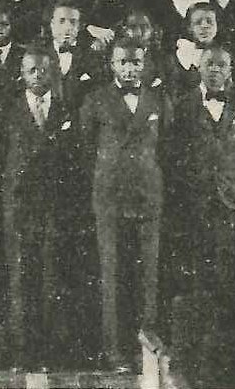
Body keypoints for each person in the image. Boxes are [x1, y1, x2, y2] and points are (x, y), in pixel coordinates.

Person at [81, 38, 170, 371]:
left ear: (144, 64)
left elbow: (167, 147)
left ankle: (145, 346)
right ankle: (114, 350)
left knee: (147, 274)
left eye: (136, 62)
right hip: (110, 197)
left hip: (148, 196)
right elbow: (85, 146)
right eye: (123, 62)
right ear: (112, 65)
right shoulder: (95, 100)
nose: (130, 68)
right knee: (112, 273)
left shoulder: (159, 100)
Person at [166, 46, 235, 383]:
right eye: (209, 64)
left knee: (226, 275)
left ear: (230, 70)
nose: (215, 70)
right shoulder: (183, 106)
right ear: (198, 67)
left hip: (230, 202)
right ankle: (192, 357)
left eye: (221, 65)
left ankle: (221, 357)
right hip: (194, 203)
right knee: (195, 277)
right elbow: (171, 154)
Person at [0, 46, 81, 369]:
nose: (38, 76)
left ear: (54, 73)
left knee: (51, 277)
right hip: (19, 207)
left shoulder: (66, 110)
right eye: (31, 70)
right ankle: (22, 350)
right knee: (21, 277)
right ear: (21, 73)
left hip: (53, 207)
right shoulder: (8, 111)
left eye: (44, 70)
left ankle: (48, 351)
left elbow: (75, 161)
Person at [48, 2, 102, 107]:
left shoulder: (91, 56)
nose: (67, 27)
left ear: (79, 27)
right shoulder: (39, 54)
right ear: (52, 24)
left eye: (73, 22)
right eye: (61, 21)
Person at [169, 2, 227, 97]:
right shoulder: (181, 57)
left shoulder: (224, 55)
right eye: (198, 22)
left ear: (217, 26)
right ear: (189, 28)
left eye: (210, 21)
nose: (204, 26)